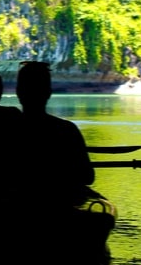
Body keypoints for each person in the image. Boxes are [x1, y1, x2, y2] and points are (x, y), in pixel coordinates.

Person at [14, 61, 95, 205]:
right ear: (48, 93)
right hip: (60, 204)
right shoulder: (67, 130)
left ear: (18, 92)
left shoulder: (5, 130)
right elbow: (87, 177)